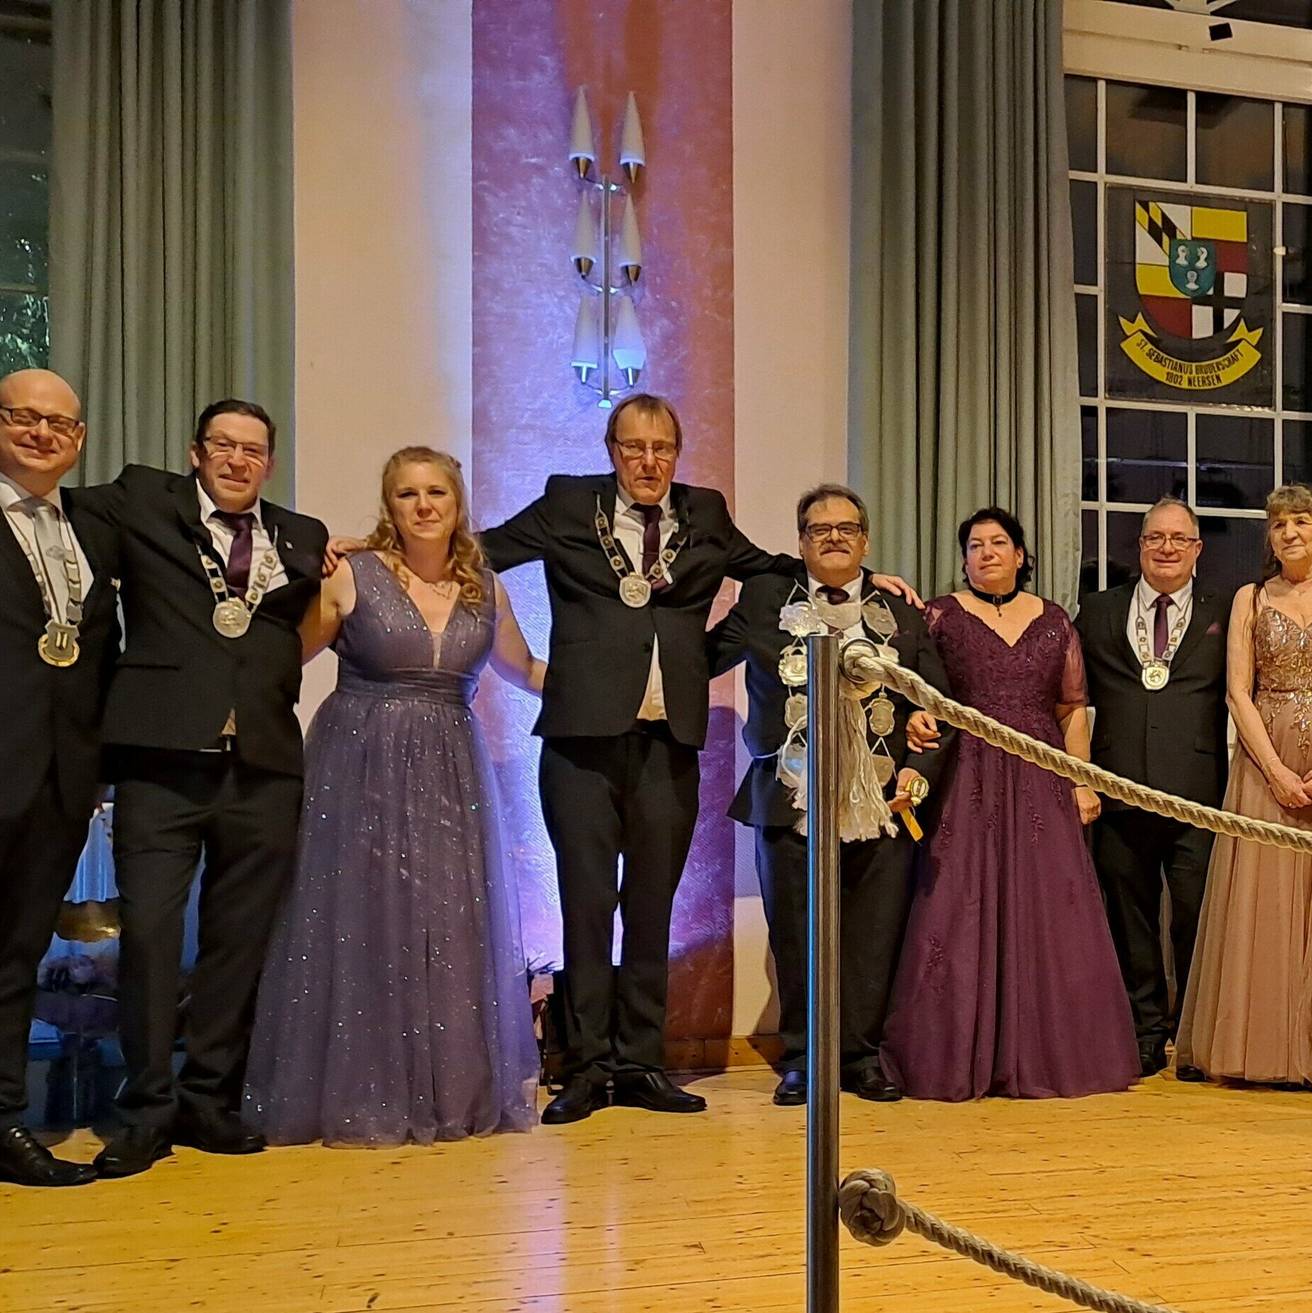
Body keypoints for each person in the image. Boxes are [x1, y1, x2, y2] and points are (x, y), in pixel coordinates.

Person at [474, 394, 914, 1125]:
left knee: (653, 909)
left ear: (678, 453)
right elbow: (479, 552)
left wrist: (869, 583)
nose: (648, 461)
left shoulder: (704, 513)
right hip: (580, 742)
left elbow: (776, 566)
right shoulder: (566, 502)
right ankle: (584, 1068)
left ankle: (642, 1064)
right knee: (584, 908)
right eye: (633, 446)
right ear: (611, 449)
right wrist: (377, 549)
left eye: (662, 448)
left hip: (666, 743)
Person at [243, 447, 544, 1146]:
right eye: (407, 493)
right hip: (360, 763)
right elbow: (280, 659)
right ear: (391, 504)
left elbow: (524, 668)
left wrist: (620, 698)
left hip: (450, 769)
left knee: (447, 922)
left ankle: (445, 1092)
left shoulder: (484, 588)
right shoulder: (352, 573)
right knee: (364, 917)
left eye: (436, 490)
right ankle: (365, 1088)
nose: (424, 504)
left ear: (457, 501)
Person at [68, 400, 331, 1178]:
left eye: (253, 449)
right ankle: (146, 1109)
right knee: (148, 934)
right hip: (158, 761)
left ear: (270, 463)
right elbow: (46, 498)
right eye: (223, 444)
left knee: (237, 942)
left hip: (263, 765)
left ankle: (209, 1098)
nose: (237, 459)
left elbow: (320, 609)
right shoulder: (145, 500)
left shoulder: (302, 535)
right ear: (195, 451)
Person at [881, 508, 1139, 1098]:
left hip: (1043, 772)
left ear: (1022, 555)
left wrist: (1083, 778)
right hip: (966, 772)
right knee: (958, 902)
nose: (987, 553)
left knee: (1050, 907)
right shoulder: (939, 616)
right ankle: (955, 1054)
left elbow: (1072, 705)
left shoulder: (1053, 621)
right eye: (974, 545)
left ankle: (1047, 1053)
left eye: (999, 543)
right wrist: (876, 580)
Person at [709, 483, 949, 1107]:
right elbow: (702, 657)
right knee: (795, 932)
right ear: (801, 543)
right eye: (820, 529)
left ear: (866, 541)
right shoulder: (765, 601)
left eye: (847, 528)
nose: (835, 537)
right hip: (788, 796)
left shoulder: (901, 613)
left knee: (872, 933)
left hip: (882, 799)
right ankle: (801, 1059)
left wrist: (916, 767)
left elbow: (937, 702)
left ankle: (860, 1057)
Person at [1175, 484, 1312, 1091]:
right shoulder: (1250, 599)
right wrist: (1278, 772)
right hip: (1266, 763)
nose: (1290, 532)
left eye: (1302, 521)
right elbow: (1239, 690)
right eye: (1279, 523)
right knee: (1267, 903)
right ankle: (1263, 1048)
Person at [0, 370, 119, 1187]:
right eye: (24, 418)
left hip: (59, 774)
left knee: (13, 955)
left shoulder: (91, 529)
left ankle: (3, 1117)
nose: (42, 433)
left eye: (60, 425)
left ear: (78, 442)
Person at [1074, 497, 1230, 1077]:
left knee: (1195, 915)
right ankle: (1144, 1030)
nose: (1167, 548)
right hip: (1117, 792)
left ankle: (1191, 1034)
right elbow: (1069, 698)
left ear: (1197, 549)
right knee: (1130, 916)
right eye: (1155, 538)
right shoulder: (1096, 610)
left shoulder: (1228, 610)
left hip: (1198, 794)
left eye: (1179, 539)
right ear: (1139, 546)